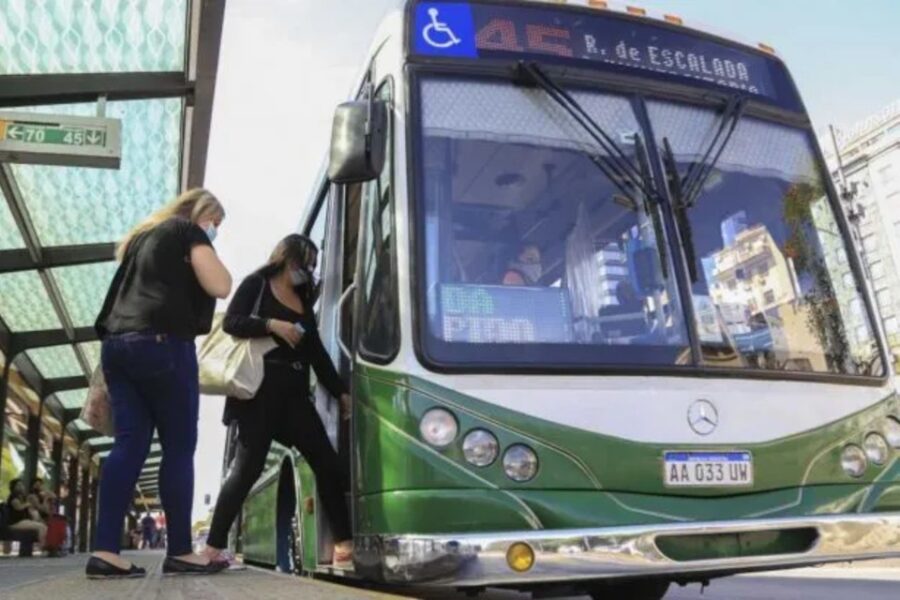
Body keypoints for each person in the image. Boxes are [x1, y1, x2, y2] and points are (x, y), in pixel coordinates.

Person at [87, 188, 232, 579]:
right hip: (163, 345)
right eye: (215, 223)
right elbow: (220, 285)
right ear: (202, 214)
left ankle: (105, 551)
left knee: (129, 445)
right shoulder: (187, 231)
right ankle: (181, 551)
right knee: (179, 447)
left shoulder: (141, 240)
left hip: (117, 348)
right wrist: (206, 244)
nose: (215, 230)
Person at [203, 234, 353, 569]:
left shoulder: (304, 297)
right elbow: (231, 323)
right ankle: (212, 548)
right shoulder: (257, 284)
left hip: (295, 394)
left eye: (313, 265)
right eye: (305, 262)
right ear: (286, 257)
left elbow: (316, 351)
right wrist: (272, 325)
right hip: (258, 391)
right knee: (246, 469)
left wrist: (340, 390)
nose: (308, 270)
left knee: (326, 461)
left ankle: (344, 544)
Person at [6, 479, 47, 550]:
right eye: (19, 485)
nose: (21, 486)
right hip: (16, 523)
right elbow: (18, 507)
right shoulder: (13, 498)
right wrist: (27, 504)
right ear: (13, 487)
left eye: (22, 485)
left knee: (42, 525)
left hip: (22, 521)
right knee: (42, 527)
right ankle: (43, 547)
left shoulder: (22, 497)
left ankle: (43, 546)